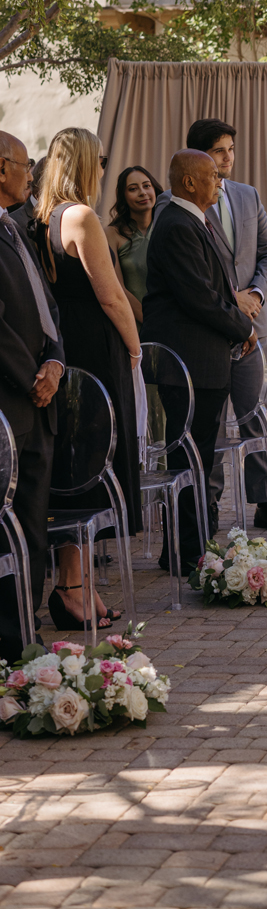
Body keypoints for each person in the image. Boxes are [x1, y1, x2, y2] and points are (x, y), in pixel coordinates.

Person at [34, 127, 142, 629]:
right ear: (83, 164)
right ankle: (72, 589)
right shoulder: (80, 215)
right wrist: (135, 344)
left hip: (63, 343)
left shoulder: (37, 218)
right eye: (99, 161)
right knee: (95, 463)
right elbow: (111, 293)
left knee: (76, 466)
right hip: (95, 348)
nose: (104, 169)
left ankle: (79, 585)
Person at [159, 118, 267, 532]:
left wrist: (256, 295)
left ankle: (266, 501)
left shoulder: (247, 196)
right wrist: (230, 303)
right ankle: (207, 508)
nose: (227, 159)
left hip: (249, 324)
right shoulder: (173, 203)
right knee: (208, 426)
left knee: (254, 416)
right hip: (211, 328)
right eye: (218, 152)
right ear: (197, 160)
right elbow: (193, 279)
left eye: (231, 150)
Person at [142, 150, 254, 574]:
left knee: (200, 458)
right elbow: (201, 296)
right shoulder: (176, 225)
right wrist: (242, 327)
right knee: (189, 459)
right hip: (188, 363)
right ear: (189, 182)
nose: (220, 182)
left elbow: (217, 286)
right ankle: (186, 553)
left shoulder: (193, 220)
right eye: (211, 175)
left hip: (204, 360)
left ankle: (192, 546)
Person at [0, 132, 65, 663]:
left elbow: (48, 310)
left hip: (41, 398)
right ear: (2, 169)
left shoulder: (18, 226)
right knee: (10, 530)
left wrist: (57, 361)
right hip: (12, 404)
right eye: (24, 165)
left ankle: (27, 631)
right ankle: (11, 641)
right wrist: (32, 376)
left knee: (33, 526)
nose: (31, 175)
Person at [105, 165, 163, 324]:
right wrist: (150, 322)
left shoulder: (168, 228)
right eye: (133, 189)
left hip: (170, 325)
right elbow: (116, 287)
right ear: (123, 196)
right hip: (131, 325)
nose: (143, 192)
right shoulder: (112, 234)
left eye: (146, 186)